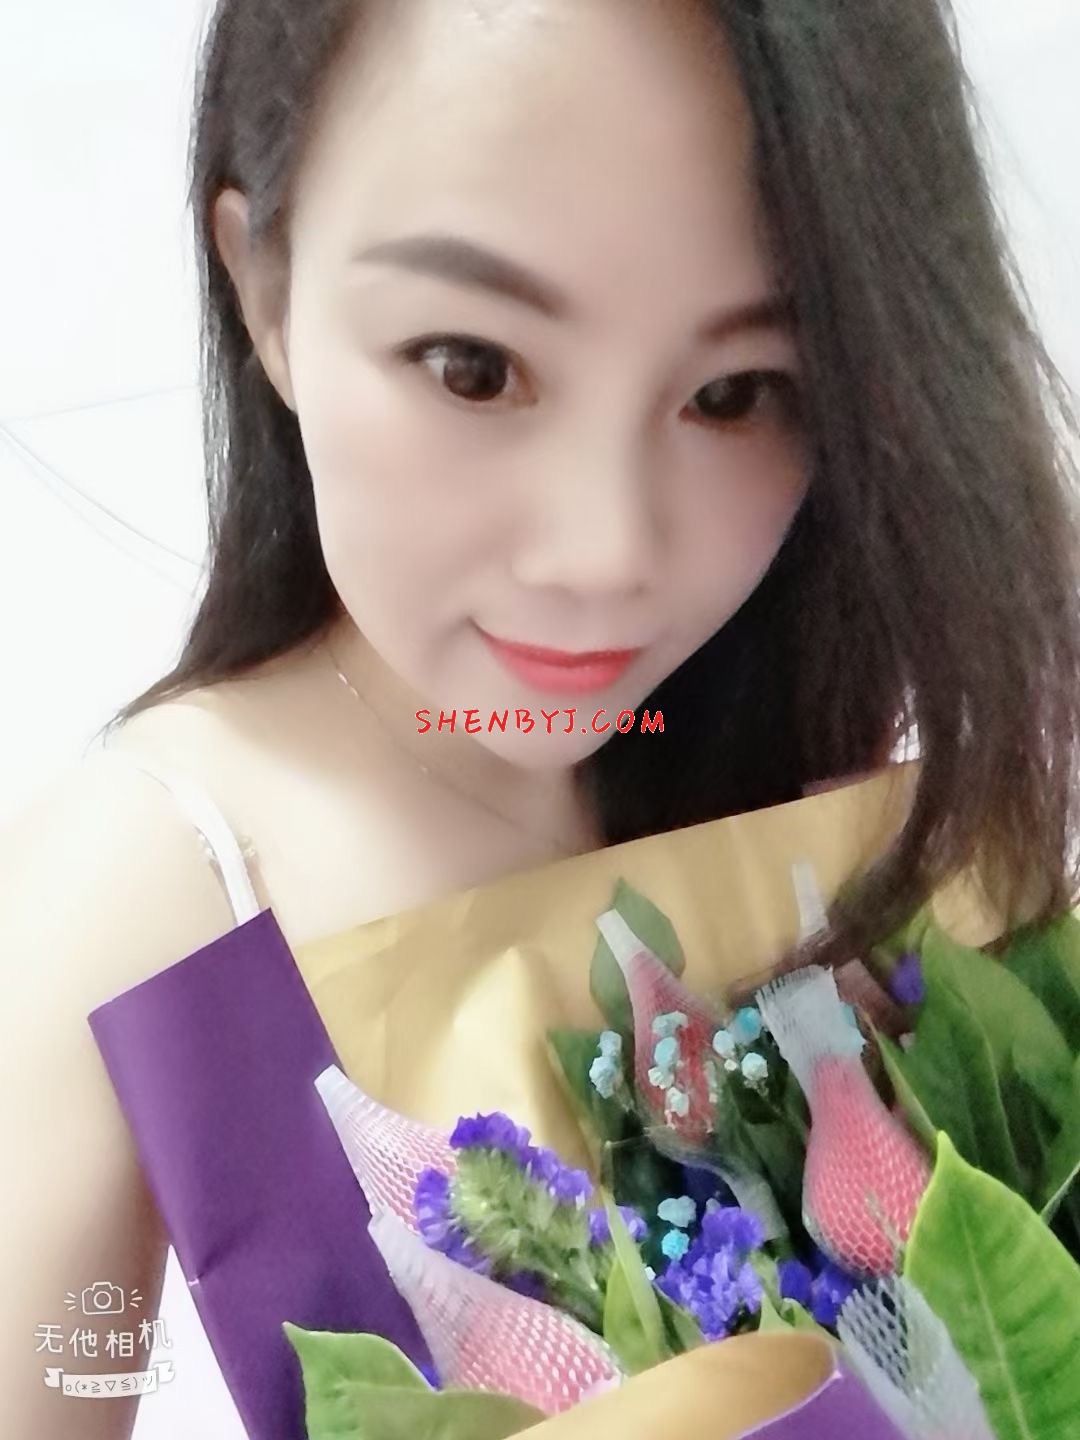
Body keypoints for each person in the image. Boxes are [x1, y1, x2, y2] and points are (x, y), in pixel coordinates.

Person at [5, 0, 1080, 1434]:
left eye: (736, 394)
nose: (605, 553)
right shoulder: (149, 889)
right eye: (472, 365)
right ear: (264, 291)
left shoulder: (833, 789)